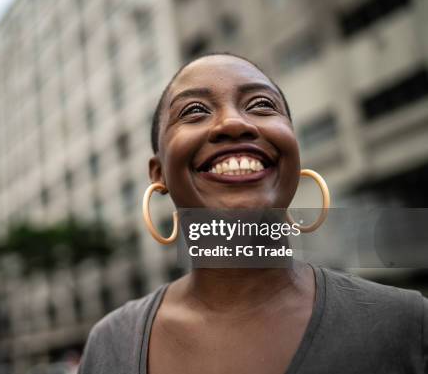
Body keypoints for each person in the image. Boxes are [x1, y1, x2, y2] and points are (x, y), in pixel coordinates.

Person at [78, 53, 428, 374]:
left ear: (293, 151)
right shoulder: (111, 345)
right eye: (195, 111)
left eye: (261, 105)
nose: (232, 123)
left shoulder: (407, 323)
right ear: (159, 174)